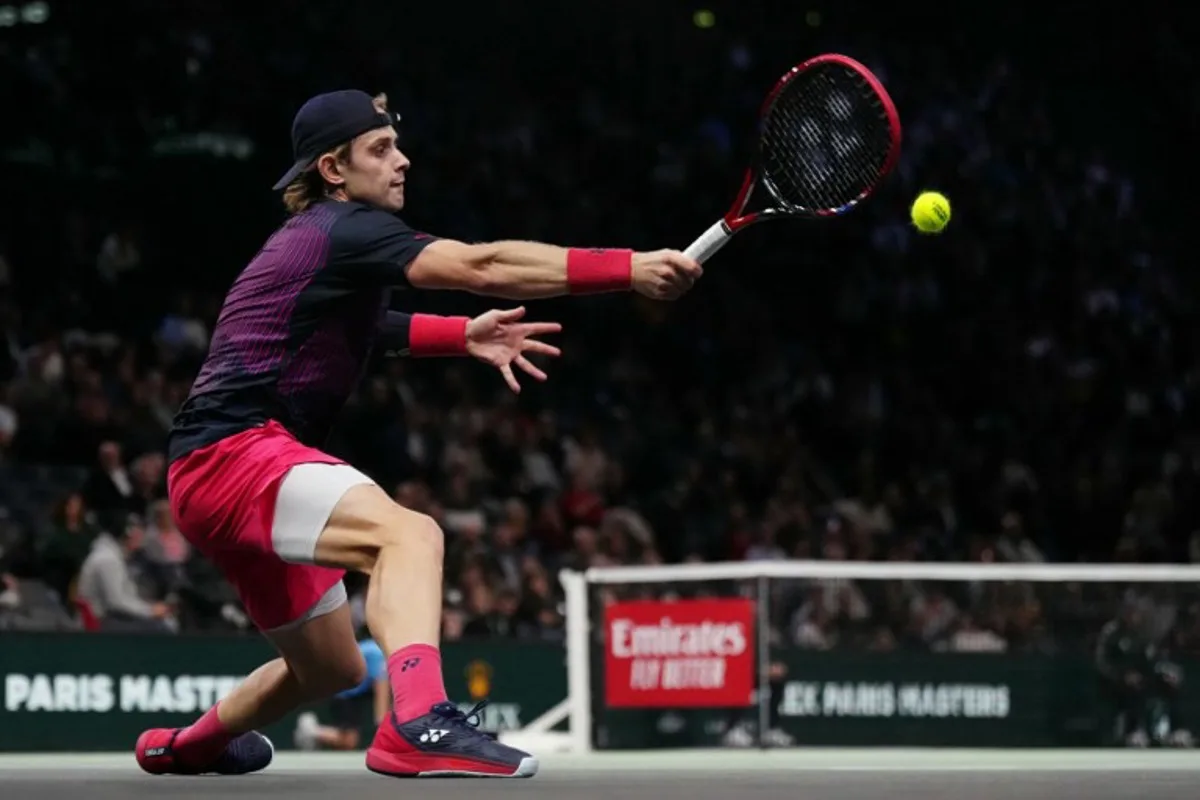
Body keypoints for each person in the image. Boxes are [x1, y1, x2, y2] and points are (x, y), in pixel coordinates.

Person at [134, 88, 702, 779]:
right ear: (334, 169)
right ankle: (418, 722)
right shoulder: (345, 228)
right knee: (411, 534)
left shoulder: (318, 245)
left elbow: (367, 330)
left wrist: (462, 336)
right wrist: (630, 268)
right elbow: (482, 266)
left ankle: (181, 747)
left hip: (215, 468)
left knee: (330, 668)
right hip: (234, 454)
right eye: (381, 149)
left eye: (397, 145)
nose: (402, 162)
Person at [293, 638, 388, 751]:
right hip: (344, 692)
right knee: (349, 741)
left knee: (348, 743)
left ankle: (316, 732)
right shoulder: (379, 656)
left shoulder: (379, 651)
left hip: (355, 691)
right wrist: (385, 731)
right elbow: (381, 696)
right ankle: (313, 732)